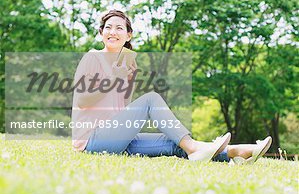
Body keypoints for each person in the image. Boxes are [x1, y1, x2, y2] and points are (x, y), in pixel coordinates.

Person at [71, 9, 272, 164]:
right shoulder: (93, 57)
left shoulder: (125, 65)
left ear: (128, 35)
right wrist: (114, 78)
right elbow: (82, 100)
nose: (112, 32)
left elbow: (119, 109)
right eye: (108, 27)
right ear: (101, 32)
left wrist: (124, 80)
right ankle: (194, 147)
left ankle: (239, 152)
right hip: (92, 141)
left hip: (114, 136)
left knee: (174, 141)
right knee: (150, 99)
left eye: (119, 28)